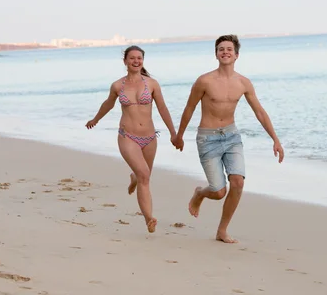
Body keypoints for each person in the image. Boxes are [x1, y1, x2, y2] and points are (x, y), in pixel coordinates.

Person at [172, 34, 284, 243]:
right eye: (221, 49)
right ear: (216, 54)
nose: (225, 52)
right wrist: (179, 135)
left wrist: (275, 139)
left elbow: (259, 111)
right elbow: (189, 108)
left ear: (236, 55)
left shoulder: (243, 83)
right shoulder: (204, 81)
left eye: (229, 49)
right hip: (208, 138)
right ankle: (199, 193)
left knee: (238, 183)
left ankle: (222, 231)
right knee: (218, 191)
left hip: (232, 136)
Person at [86, 45, 176, 233]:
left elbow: (163, 108)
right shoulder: (118, 85)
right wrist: (95, 119)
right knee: (145, 175)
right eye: (132, 58)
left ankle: (134, 177)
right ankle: (149, 218)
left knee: (143, 176)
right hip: (128, 136)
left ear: (143, 61)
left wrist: (174, 133)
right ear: (125, 61)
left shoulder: (152, 84)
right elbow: (108, 104)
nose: (136, 61)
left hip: (150, 137)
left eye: (139, 58)